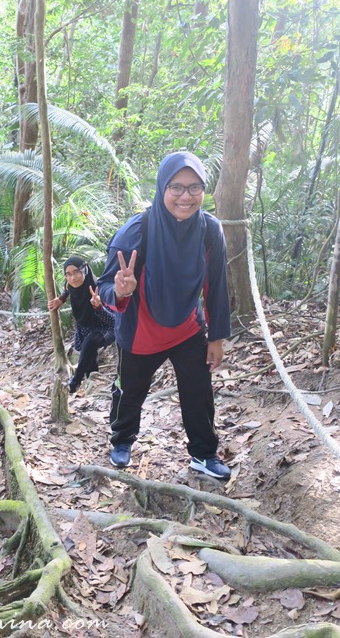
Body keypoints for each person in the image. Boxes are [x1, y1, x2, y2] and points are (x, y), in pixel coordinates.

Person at [97, 152, 232, 479]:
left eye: (195, 187)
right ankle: (122, 440)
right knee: (129, 391)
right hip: (141, 332)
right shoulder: (136, 232)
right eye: (177, 187)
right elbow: (104, 288)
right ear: (162, 188)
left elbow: (216, 285)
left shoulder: (210, 230)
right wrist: (121, 291)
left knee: (198, 390)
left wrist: (216, 337)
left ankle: (203, 454)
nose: (186, 196)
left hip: (187, 328)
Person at [49, 256, 115, 393]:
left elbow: (114, 321)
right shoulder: (69, 285)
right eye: (68, 274)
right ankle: (92, 378)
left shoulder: (100, 288)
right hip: (85, 327)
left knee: (90, 342)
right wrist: (61, 299)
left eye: (76, 272)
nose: (73, 278)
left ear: (84, 270)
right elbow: (67, 289)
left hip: (106, 327)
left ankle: (75, 381)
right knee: (89, 353)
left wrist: (99, 307)